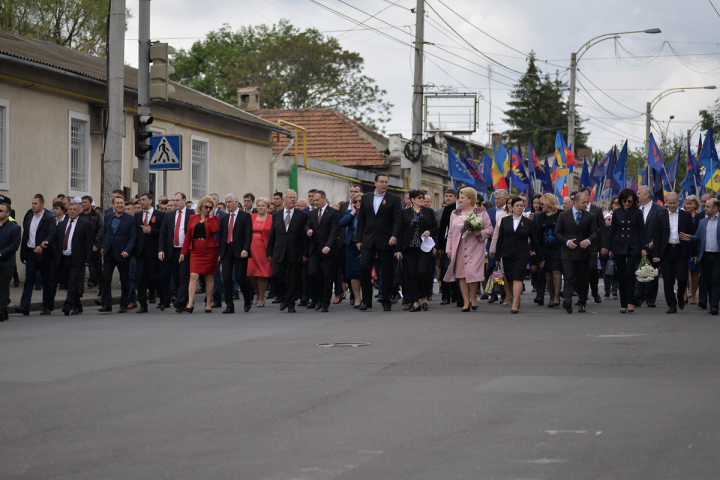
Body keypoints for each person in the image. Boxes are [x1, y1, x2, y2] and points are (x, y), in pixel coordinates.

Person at [356, 173, 402, 312]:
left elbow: (397, 220)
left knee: (386, 271)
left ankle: (386, 300)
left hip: (386, 240)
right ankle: (366, 301)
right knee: (364, 267)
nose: (384, 184)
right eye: (381, 182)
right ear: (375, 182)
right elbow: (362, 219)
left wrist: (394, 235)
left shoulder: (394, 199)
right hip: (368, 239)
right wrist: (359, 239)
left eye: (386, 182)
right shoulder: (366, 198)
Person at [494, 196, 544, 314]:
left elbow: (534, 240)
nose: (520, 208)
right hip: (507, 254)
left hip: (521, 254)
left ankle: (515, 304)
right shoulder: (505, 220)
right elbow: (500, 239)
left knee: (517, 278)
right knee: (510, 278)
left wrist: (540, 257)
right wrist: (497, 257)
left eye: (522, 205)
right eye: (517, 205)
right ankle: (515, 297)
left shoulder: (528, 222)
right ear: (512, 207)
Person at [42, 202, 93, 315]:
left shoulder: (85, 224)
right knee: (67, 282)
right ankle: (77, 305)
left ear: (79, 211)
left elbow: (89, 243)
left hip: (77, 259)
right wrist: (47, 241)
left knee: (73, 282)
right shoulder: (62, 224)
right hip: (63, 258)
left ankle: (68, 305)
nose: (72, 211)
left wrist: (88, 260)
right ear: (67, 211)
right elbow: (53, 235)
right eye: (70, 209)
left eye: (75, 209)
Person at [555, 192, 598, 314]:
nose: (586, 204)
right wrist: (567, 242)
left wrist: (589, 241)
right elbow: (557, 233)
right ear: (575, 202)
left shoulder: (589, 216)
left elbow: (595, 232)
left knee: (583, 279)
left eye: (587, 202)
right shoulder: (563, 215)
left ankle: (582, 302)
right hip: (568, 252)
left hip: (583, 252)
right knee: (568, 277)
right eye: (583, 202)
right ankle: (567, 300)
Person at [397, 189, 439, 311]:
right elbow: (400, 232)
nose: (422, 200)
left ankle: (424, 297)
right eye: (419, 198)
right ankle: (415, 301)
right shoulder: (404, 213)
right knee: (411, 274)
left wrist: (429, 232)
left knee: (421, 271)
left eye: (422, 198)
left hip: (423, 248)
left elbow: (436, 229)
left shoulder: (429, 212)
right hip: (409, 248)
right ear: (413, 200)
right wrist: (399, 250)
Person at [266, 189, 308, 313]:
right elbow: (272, 235)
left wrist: (305, 254)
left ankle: (291, 303)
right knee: (275, 276)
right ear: (284, 200)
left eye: (294, 197)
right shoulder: (276, 215)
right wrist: (269, 252)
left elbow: (304, 237)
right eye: (290, 197)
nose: (293, 200)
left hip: (295, 252)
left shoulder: (302, 216)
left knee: (293, 279)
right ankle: (283, 296)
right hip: (279, 251)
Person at [653, 192, 695, 313]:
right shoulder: (660, 216)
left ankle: (681, 296)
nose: (672, 205)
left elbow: (692, 234)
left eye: (674, 203)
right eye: (670, 203)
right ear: (666, 203)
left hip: (681, 250)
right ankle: (671, 304)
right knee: (667, 279)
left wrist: (694, 253)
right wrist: (656, 254)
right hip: (666, 251)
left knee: (682, 278)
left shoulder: (685, 215)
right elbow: (657, 237)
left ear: (678, 202)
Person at [16, 194, 56, 316]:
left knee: (46, 280)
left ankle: (47, 306)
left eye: (36, 203)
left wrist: (44, 244)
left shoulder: (49, 218)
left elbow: (53, 233)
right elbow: (26, 236)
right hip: (31, 253)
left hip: (44, 253)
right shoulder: (29, 218)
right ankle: (24, 306)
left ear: (42, 204)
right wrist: (23, 253)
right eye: (32, 203)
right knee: (29, 280)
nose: (33, 206)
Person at [608, 188, 646, 314]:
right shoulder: (617, 212)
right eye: (624, 201)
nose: (627, 204)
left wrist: (643, 247)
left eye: (629, 201)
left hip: (633, 245)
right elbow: (613, 231)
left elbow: (641, 231)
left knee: (630, 273)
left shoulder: (637, 212)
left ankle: (630, 302)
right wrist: (610, 248)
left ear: (634, 201)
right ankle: (623, 303)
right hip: (619, 245)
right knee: (621, 275)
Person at [179, 195, 219, 313]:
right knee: (193, 276)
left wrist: (211, 216)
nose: (208, 209)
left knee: (209, 277)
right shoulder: (193, 218)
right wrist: (183, 252)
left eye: (211, 207)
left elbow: (214, 230)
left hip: (210, 250)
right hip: (196, 250)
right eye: (206, 207)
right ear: (201, 206)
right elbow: (188, 236)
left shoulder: (214, 218)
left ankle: (208, 304)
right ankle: (190, 303)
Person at [99, 196, 137, 313]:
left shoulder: (130, 219)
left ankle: (124, 304)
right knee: (105, 278)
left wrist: (128, 250)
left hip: (123, 252)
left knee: (124, 279)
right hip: (109, 252)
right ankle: (107, 304)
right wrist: (103, 246)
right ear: (113, 205)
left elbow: (133, 237)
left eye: (121, 203)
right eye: (117, 203)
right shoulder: (108, 217)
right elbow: (106, 233)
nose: (120, 205)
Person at [682, 197, 720, 315]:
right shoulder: (703, 221)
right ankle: (711, 301)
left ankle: (714, 306)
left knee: (716, 280)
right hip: (705, 256)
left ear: (715, 208)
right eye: (705, 206)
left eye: (707, 207)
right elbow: (698, 237)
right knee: (708, 280)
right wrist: (690, 238)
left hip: (717, 256)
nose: (705, 208)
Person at [305, 190, 340, 312]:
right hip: (315, 248)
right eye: (313, 200)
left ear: (324, 199)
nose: (315, 202)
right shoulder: (313, 213)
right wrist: (308, 230)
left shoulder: (333, 212)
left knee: (327, 275)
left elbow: (334, 231)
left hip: (328, 249)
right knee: (312, 273)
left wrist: (329, 246)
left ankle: (325, 302)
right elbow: (307, 225)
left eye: (317, 200)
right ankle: (319, 296)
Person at [218, 194, 253, 314]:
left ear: (236, 202)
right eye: (226, 202)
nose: (227, 204)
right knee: (226, 277)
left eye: (229, 202)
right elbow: (222, 237)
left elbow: (248, 235)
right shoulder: (224, 219)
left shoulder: (245, 216)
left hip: (240, 251)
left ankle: (247, 299)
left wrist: (245, 249)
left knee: (240, 278)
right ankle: (229, 305)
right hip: (227, 250)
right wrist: (220, 253)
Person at [159, 192, 194, 312]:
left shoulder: (191, 214)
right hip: (172, 250)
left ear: (184, 200)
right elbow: (163, 233)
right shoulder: (169, 215)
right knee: (176, 276)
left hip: (186, 250)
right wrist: (161, 249)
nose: (175, 202)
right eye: (174, 200)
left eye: (177, 200)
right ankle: (182, 300)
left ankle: (181, 301)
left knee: (184, 275)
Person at [132, 193, 166, 313]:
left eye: (143, 199)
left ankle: (163, 299)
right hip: (141, 252)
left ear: (150, 201)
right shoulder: (137, 215)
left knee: (154, 277)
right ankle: (143, 304)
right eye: (140, 200)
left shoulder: (160, 215)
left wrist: (152, 231)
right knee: (140, 278)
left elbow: (163, 232)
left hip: (154, 251)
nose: (141, 202)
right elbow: (135, 234)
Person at [577, 186, 609, 304]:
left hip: (592, 246)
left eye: (585, 195)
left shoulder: (596, 210)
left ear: (589, 196)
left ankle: (594, 291)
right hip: (578, 245)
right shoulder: (575, 210)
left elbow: (603, 229)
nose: (583, 198)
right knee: (580, 271)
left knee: (592, 269)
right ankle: (582, 294)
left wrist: (604, 246)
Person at [534, 194, 562, 308]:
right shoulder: (539, 216)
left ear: (549, 203)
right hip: (544, 248)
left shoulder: (561, 214)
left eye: (542, 203)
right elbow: (535, 233)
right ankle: (551, 296)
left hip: (558, 248)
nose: (541, 206)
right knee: (548, 273)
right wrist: (534, 249)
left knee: (556, 271)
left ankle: (556, 296)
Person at [489, 195, 516, 305]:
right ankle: (507, 296)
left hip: (518, 249)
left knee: (516, 274)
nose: (510, 205)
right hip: (504, 248)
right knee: (504, 274)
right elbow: (496, 234)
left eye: (512, 203)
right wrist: (493, 248)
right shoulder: (502, 215)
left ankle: (516, 296)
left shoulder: (523, 216)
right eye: (509, 203)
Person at [247, 197, 273, 307]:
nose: (260, 207)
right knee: (250, 272)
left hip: (264, 248)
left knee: (262, 273)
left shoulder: (272, 218)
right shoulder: (251, 217)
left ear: (267, 208)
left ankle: (261, 297)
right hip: (251, 247)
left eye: (263, 206)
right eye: (259, 205)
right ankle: (257, 292)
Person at [340, 192, 363, 308]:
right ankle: (357, 298)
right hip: (351, 245)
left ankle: (366, 296)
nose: (358, 203)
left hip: (364, 246)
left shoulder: (368, 213)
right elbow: (342, 223)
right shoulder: (349, 213)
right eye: (356, 201)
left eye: (360, 201)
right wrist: (353, 212)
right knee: (354, 272)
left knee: (364, 271)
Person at [437, 189, 460, 306]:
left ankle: (457, 295)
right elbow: (442, 228)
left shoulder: (465, 208)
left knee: (457, 270)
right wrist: (440, 246)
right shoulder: (447, 209)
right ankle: (445, 296)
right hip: (448, 243)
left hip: (461, 243)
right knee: (446, 269)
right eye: (446, 196)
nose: (448, 198)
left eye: (450, 196)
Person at [484, 189, 508, 302]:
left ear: (505, 199)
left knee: (503, 268)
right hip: (491, 242)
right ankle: (493, 293)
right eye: (495, 198)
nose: (496, 200)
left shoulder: (509, 211)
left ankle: (504, 294)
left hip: (504, 243)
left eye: (499, 198)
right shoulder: (489, 212)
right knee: (492, 267)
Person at [0, 200, 21, 321]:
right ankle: (4, 312)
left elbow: (14, 245)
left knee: (2, 287)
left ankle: (1, 312)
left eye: (0, 210)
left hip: (6, 263)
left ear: (7, 213)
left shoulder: (15, 228)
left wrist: (1, 254)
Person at [79, 196, 103, 292]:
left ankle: (102, 288)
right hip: (82, 246)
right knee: (80, 269)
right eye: (82, 202)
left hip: (94, 246)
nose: (83, 204)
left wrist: (96, 244)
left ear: (90, 203)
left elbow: (101, 229)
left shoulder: (97, 215)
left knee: (97, 268)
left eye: (85, 202)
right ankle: (80, 290)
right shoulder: (80, 216)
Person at [683, 195, 702, 305]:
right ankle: (684, 294)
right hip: (684, 246)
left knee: (695, 272)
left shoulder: (700, 217)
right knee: (683, 271)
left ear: (696, 205)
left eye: (691, 203)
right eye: (687, 203)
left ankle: (693, 294)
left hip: (695, 247)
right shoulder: (683, 215)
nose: (689, 205)